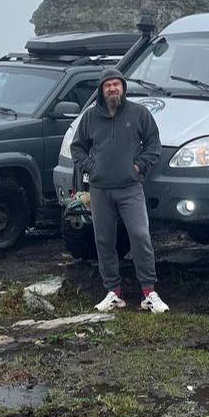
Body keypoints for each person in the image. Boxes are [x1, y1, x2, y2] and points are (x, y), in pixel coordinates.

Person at [69, 68, 168, 314]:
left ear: (123, 88)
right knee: (104, 240)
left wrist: (138, 166)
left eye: (116, 84)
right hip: (100, 189)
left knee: (140, 236)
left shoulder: (138, 114)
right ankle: (113, 292)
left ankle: (149, 293)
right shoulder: (90, 117)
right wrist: (91, 167)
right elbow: (77, 147)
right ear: (101, 91)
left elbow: (154, 144)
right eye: (107, 85)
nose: (112, 88)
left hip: (130, 188)